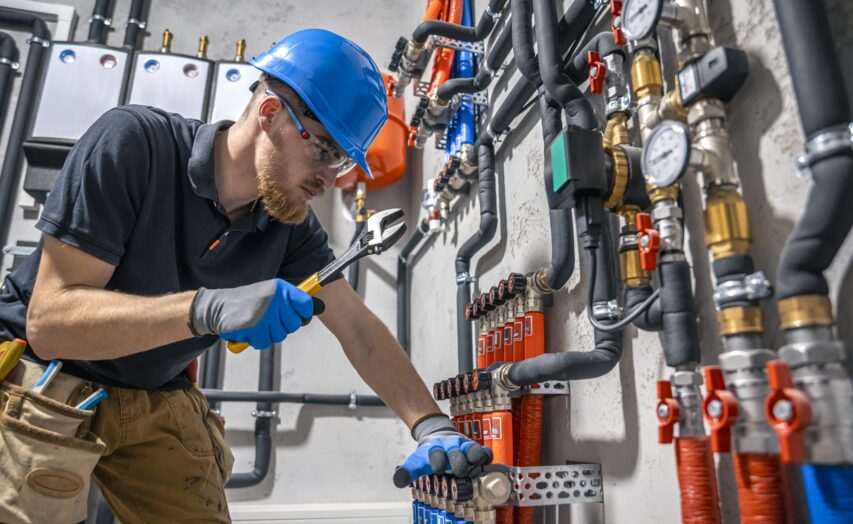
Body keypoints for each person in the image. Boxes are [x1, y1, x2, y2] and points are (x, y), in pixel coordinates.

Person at [0, 29, 486, 523]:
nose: (330, 179)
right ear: (270, 114)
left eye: (342, 162)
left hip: (152, 388)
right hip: (47, 373)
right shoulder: (134, 143)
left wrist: (430, 425)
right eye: (324, 151)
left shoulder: (287, 223)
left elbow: (357, 328)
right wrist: (203, 309)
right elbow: (51, 322)